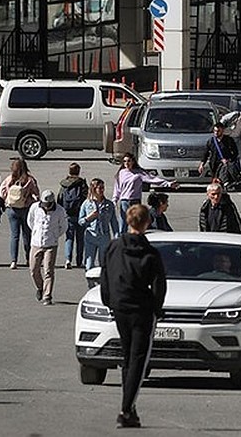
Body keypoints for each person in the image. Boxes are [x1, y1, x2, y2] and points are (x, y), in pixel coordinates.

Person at [99, 203, 167, 429]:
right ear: (147, 223)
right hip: (141, 309)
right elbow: (159, 286)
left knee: (128, 357)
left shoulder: (113, 247)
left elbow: (105, 276)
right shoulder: (150, 253)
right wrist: (158, 309)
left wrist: (108, 301)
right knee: (138, 358)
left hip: (119, 307)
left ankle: (130, 407)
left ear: (128, 221)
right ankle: (126, 409)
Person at [27, 190, 68, 306]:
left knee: (48, 271)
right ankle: (40, 287)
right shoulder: (35, 207)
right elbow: (30, 221)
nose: (46, 207)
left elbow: (63, 227)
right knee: (34, 270)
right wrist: (35, 233)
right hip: (36, 243)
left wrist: (55, 236)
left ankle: (47, 295)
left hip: (51, 244)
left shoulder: (59, 211)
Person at [0, 158, 40, 270]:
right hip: (26, 209)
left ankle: (14, 261)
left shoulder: (9, 179)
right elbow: (36, 194)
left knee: (14, 235)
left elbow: (1, 192)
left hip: (12, 209)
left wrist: (8, 198)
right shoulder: (30, 180)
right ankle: (28, 258)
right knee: (27, 235)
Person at [113, 152, 176, 218]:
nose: (127, 163)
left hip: (135, 201)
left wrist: (168, 183)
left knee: (137, 223)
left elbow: (153, 179)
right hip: (124, 201)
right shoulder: (121, 173)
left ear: (133, 162)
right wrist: (115, 199)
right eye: (124, 161)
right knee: (123, 224)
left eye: (129, 161)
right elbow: (117, 188)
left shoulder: (139, 173)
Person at [81, 179, 120, 273]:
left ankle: (103, 285)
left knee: (104, 264)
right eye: (100, 188)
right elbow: (80, 221)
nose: (102, 190)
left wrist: (116, 235)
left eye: (103, 187)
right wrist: (88, 218)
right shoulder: (87, 204)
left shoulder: (109, 204)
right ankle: (90, 284)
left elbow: (114, 222)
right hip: (90, 236)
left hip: (104, 237)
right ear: (94, 189)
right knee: (89, 264)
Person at [57, 163, 88, 270]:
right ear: (78, 171)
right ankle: (79, 261)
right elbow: (86, 197)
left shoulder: (64, 184)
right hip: (79, 214)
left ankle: (68, 260)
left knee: (69, 238)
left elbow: (60, 198)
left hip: (68, 214)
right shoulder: (81, 183)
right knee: (80, 239)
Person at [199, 123, 241, 191]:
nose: (216, 133)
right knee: (215, 181)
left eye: (218, 131)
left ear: (222, 131)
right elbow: (206, 153)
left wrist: (229, 160)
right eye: (215, 131)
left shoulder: (229, 140)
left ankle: (225, 184)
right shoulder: (211, 141)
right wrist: (202, 164)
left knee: (223, 174)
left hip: (225, 164)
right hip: (214, 164)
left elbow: (235, 152)